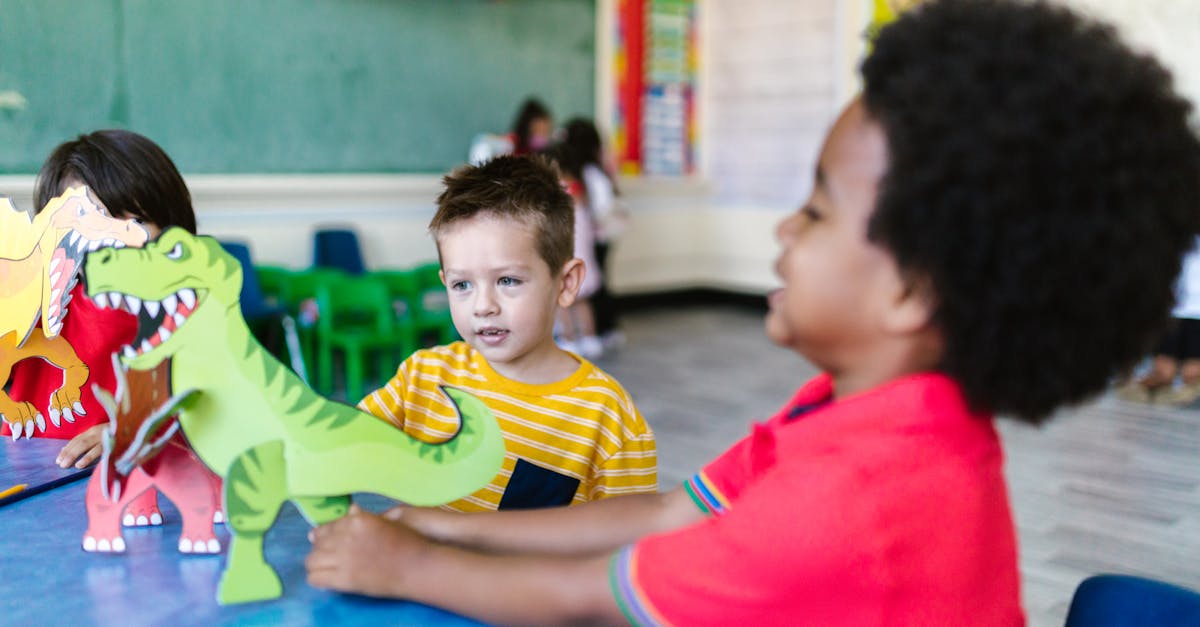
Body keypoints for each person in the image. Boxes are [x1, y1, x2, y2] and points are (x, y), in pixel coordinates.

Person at [306, 0, 1200, 623]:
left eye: (814, 209)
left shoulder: (853, 499)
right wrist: (440, 522)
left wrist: (413, 564)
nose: (782, 227)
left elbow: (603, 597)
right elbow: (667, 515)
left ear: (909, 288)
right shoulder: (858, 416)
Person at [357, 154, 656, 512]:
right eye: (462, 284)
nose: (483, 306)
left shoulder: (607, 417)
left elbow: (629, 544)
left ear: (566, 283)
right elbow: (342, 447)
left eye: (508, 280)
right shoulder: (421, 379)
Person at [4, 130, 197, 478]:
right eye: (93, 218)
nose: (111, 237)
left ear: (172, 225)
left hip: (138, 491)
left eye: (136, 220)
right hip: (25, 490)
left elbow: (212, 414)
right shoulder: (30, 303)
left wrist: (138, 434)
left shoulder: (186, 313)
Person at [562, 118, 628, 350]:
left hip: (595, 236)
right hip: (599, 236)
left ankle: (601, 331)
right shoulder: (594, 167)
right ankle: (600, 331)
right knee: (596, 285)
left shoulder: (587, 171)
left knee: (593, 287)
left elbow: (601, 205)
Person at [1117, 239, 1200, 405]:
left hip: (1196, 311)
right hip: (1172, 305)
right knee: (1164, 371)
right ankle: (1136, 388)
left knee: (1192, 373)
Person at [545, 142, 605, 360]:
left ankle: (569, 341)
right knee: (583, 301)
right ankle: (591, 339)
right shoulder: (580, 188)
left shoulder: (557, 191)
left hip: (566, 253)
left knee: (563, 301)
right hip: (584, 255)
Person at [468, 97, 555, 165]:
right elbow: (481, 142)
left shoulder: (541, 154)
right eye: (538, 130)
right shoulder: (510, 144)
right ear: (527, 128)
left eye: (546, 132)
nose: (542, 136)